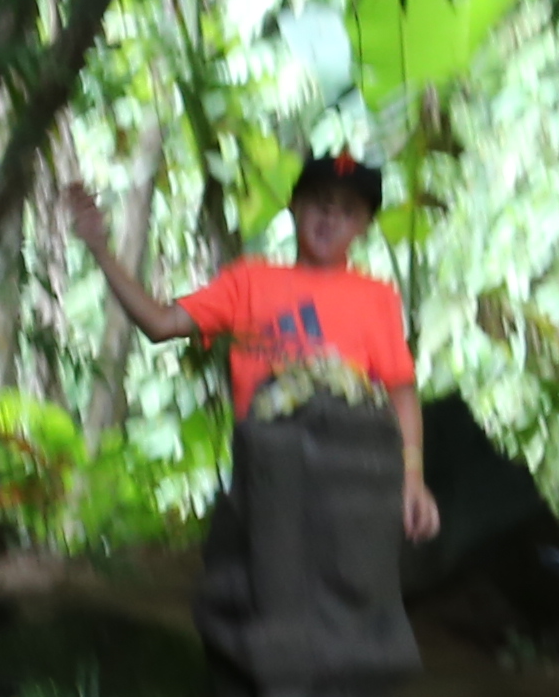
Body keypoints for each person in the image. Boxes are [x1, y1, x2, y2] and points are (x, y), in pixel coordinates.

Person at [63, 152, 441, 544]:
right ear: (295, 206)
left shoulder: (375, 297)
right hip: (265, 477)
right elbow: (161, 323)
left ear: (364, 225)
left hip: (346, 479)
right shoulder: (249, 281)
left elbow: (400, 389)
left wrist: (412, 478)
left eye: (347, 211)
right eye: (319, 203)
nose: (330, 219)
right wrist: (101, 251)